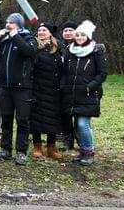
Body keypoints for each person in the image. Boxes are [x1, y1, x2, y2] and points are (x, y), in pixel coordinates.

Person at [0, 13, 39, 165]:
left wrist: (16, 36)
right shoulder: (5, 40)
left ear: (19, 24)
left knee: (22, 121)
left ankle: (21, 152)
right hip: (5, 87)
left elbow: (28, 52)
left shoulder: (29, 38)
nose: (8, 24)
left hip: (23, 88)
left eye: (11, 22)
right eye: (7, 22)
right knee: (6, 119)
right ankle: (6, 150)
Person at [60, 20, 107, 166]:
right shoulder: (70, 51)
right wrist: (64, 85)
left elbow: (102, 73)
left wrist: (91, 86)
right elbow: (64, 72)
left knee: (82, 123)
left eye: (82, 35)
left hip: (88, 94)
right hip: (72, 94)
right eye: (78, 35)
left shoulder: (96, 51)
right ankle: (83, 151)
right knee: (78, 123)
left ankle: (89, 152)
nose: (79, 37)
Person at [30, 23, 65, 159]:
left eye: (44, 30)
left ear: (50, 33)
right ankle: (37, 146)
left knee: (53, 119)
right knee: (36, 118)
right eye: (39, 30)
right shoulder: (34, 46)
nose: (41, 32)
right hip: (38, 87)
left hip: (54, 88)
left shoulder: (58, 48)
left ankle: (51, 147)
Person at [57, 20, 79, 150]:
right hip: (63, 86)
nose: (68, 33)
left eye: (71, 30)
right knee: (65, 114)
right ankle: (67, 140)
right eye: (65, 31)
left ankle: (81, 140)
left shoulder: (82, 46)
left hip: (78, 86)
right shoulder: (60, 47)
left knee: (79, 117)